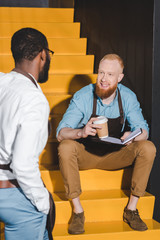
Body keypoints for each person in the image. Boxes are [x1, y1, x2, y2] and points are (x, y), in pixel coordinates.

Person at [56, 54, 156, 234]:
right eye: (101, 72)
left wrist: (132, 136)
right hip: (86, 156)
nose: (103, 79)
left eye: (110, 74)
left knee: (148, 147)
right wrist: (81, 132)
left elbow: (144, 130)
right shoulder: (83, 96)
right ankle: (78, 212)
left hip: (116, 155)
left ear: (120, 78)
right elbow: (61, 132)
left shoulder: (127, 97)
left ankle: (131, 210)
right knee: (65, 146)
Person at [0, 28, 55, 240]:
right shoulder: (34, 100)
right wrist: (43, 203)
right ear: (43, 54)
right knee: (39, 214)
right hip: (7, 190)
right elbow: (22, 165)